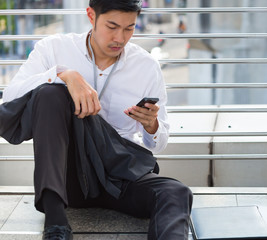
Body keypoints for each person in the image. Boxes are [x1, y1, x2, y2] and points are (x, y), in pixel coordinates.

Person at [2, 0, 193, 239]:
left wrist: (151, 124)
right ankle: (55, 224)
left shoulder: (146, 66)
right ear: (91, 16)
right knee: (51, 92)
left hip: (119, 173)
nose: (120, 38)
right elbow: (10, 98)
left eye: (129, 28)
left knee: (176, 192)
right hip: (70, 175)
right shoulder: (53, 49)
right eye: (111, 26)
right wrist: (63, 75)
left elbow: (159, 142)